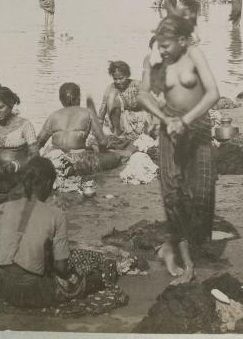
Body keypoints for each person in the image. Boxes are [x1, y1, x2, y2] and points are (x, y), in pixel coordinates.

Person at [0, 157, 116, 308]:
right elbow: (61, 268)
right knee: (95, 277)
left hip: (5, 285)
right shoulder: (56, 215)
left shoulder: (4, 208)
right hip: (34, 291)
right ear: (48, 184)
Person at [138, 16, 220, 285]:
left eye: (166, 45)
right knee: (173, 194)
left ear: (183, 41)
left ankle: (170, 246)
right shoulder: (156, 62)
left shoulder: (195, 55)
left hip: (198, 129)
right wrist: (166, 120)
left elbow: (213, 93)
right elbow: (143, 94)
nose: (161, 50)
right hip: (169, 132)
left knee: (203, 193)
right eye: (159, 44)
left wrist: (185, 120)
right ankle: (187, 263)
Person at [37, 83, 121, 176]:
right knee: (116, 157)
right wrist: (101, 151)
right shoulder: (87, 112)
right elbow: (103, 142)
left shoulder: (54, 115)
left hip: (54, 157)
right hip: (77, 161)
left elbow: (38, 142)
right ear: (78, 98)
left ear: (61, 100)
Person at [0, 87, 39, 195]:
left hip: (19, 172)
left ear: (11, 104)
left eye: (0, 107)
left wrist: (17, 165)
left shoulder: (25, 125)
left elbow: (35, 154)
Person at [97, 61, 152, 139]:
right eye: (115, 79)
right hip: (120, 123)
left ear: (127, 75)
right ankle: (118, 134)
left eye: (121, 78)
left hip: (139, 122)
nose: (118, 82)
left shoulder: (136, 85)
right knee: (112, 96)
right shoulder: (110, 88)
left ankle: (144, 135)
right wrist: (97, 132)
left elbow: (150, 105)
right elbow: (102, 112)